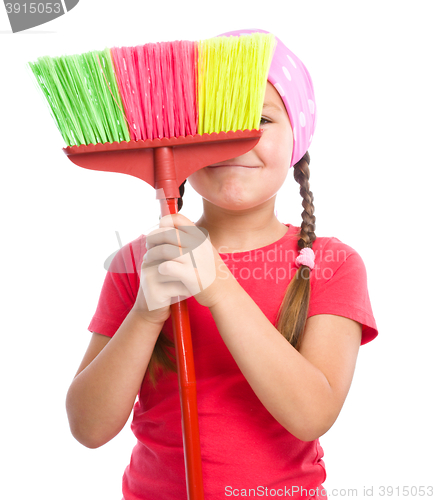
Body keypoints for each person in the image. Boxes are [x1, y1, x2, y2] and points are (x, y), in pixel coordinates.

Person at [66, 28, 378, 500]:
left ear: (298, 138)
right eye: (216, 120)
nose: (235, 142)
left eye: (260, 119)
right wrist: (147, 312)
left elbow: (313, 415)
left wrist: (221, 289)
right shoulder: (140, 262)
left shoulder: (331, 264)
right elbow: (88, 427)